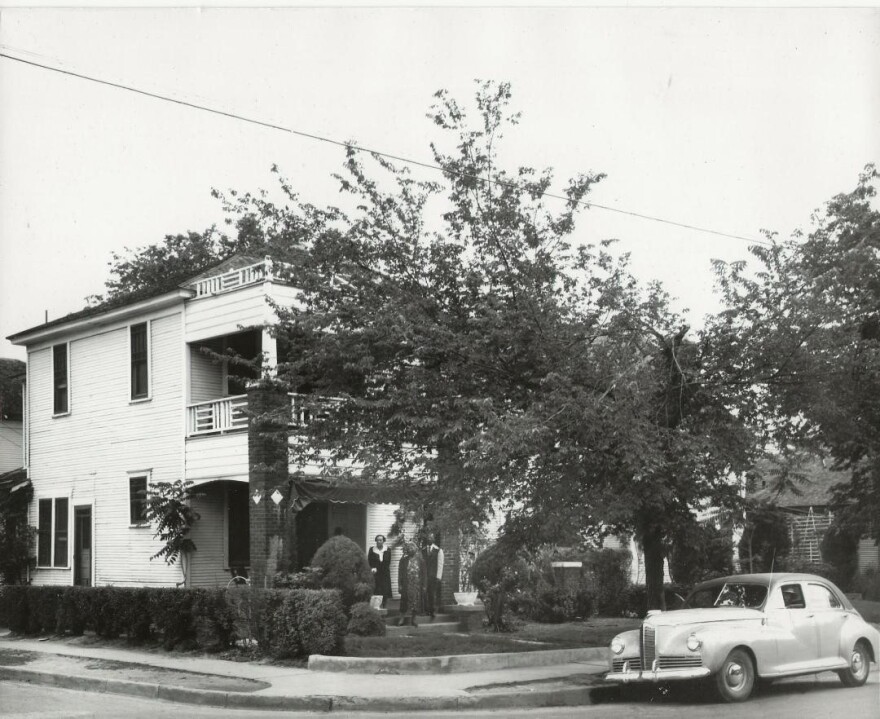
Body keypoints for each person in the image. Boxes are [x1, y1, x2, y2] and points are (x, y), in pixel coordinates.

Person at [397, 542, 425, 627]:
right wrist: (400, 585)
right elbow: (400, 574)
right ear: (407, 550)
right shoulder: (403, 560)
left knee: (416, 602)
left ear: (416, 549)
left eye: (412, 548)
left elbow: (424, 574)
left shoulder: (421, 560)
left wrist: (424, 585)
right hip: (406, 584)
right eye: (409, 548)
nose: (411, 549)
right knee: (404, 602)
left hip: (416, 585)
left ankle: (414, 619)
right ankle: (401, 619)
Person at [367, 534, 392, 608]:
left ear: (383, 541)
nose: (379, 541)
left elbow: (388, 561)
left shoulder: (388, 549)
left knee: (385, 589)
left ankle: (384, 605)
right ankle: (376, 606)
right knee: (377, 589)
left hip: (385, 573)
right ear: (376, 541)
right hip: (376, 573)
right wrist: (372, 568)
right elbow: (369, 561)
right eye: (377, 540)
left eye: (381, 540)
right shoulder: (372, 549)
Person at [423, 532, 444, 618]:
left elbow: (440, 564)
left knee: (433, 593)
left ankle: (433, 611)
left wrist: (438, 576)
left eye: (431, 537)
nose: (429, 539)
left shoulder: (438, 550)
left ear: (434, 539)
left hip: (433, 576)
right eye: (428, 537)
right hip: (425, 576)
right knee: (425, 593)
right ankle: (426, 610)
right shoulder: (423, 550)